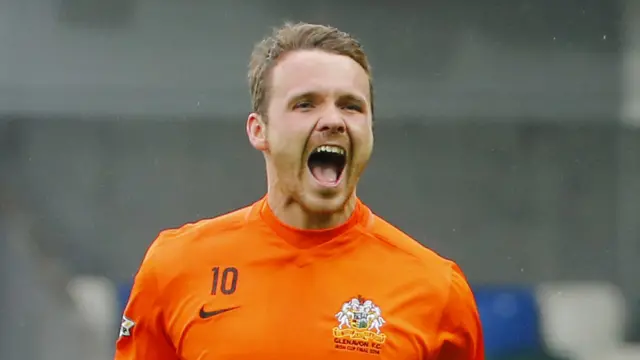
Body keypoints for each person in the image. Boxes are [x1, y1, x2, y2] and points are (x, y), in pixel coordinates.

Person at [114, 22, 484, 360]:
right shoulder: (175, 266)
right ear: (259, 130)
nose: (333, 121)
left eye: (351, 106)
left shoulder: (437, 290)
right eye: (305, 104)